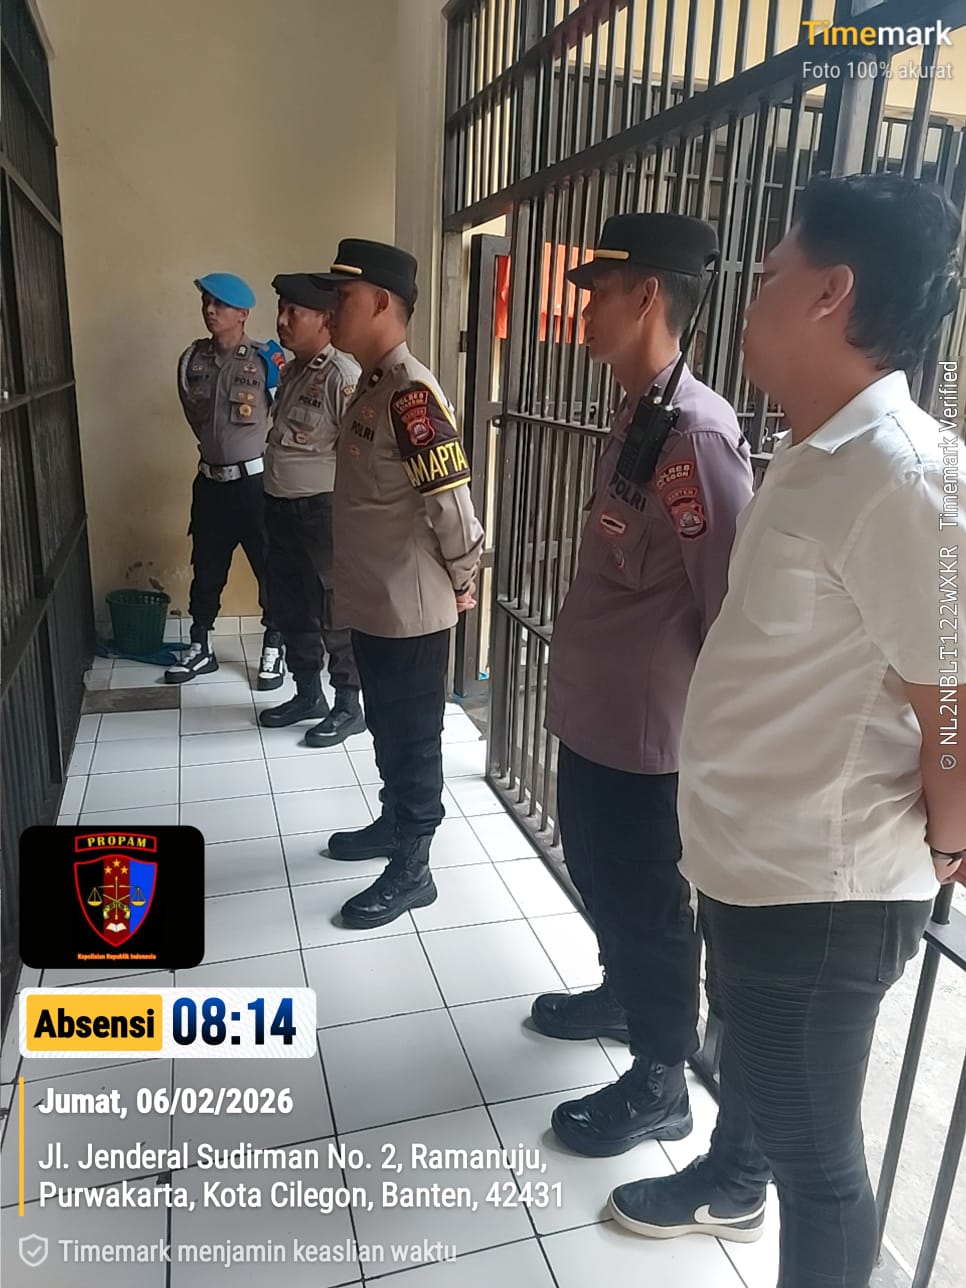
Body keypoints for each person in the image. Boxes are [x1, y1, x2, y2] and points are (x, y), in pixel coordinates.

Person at [609, 174, 966, 1288]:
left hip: (825, 892)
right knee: (767, 1092)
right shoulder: (823, 451)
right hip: (763, 866)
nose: (748, 296)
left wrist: (951, 839)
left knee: (819, 1166)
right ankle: (729, 1182)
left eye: (769, 274)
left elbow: (953, 696)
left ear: (830, 293)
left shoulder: (905, 476)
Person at [532, 214, 754, 1157]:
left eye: (599, 291)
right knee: (598, 870)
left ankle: (663, 1078)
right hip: (598, 711)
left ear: (648, 296)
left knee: (648, 901)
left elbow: (729, 599)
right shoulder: (641, 412)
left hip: (645, 729)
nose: (584, 309)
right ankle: (623, 997)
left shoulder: (698, 434)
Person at [311, 239, 484, 928]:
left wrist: (464, 577)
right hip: (375, 601)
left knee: (413, 739)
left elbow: (452, 505)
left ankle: (415, 867)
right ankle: (393, 823)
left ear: (382, 302)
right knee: (386, 724)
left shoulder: (411, 394)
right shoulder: (371, 384)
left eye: (343, 298)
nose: (331, 311)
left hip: (411, 608)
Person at [257, 274, 364, 747]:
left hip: (322, 514)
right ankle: (307, 694)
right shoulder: (295, 371)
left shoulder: (342, 376)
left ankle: (348, 705)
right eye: (281, 310)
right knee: (289, 606)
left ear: (324, 319)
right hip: (280, 509)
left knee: (333, 611)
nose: (282, 321)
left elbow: (359, 456)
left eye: (293, 312)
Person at [167, 273, 285, 687]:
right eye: (206, 302)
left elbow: (284, 415)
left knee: (268, 565)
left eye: (220, 304)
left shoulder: (267, 360)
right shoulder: (192, 360)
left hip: (254, 486)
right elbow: (194, 415)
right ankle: (200, 645)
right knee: (206, 565)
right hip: (210, 484)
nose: (210, 310)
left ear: (243, 314)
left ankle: (274, 644)